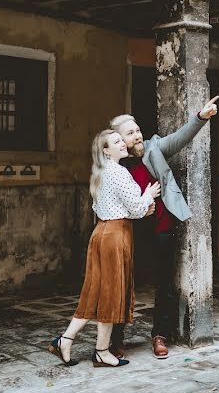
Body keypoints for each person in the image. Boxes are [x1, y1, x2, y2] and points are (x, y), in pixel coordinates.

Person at [109, 96, 218, 359]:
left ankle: (160, 335)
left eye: (137, 130)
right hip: (129, 230)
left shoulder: (153, 148)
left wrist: (200, 117)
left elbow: (179, 138)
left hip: (160, 227)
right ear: (118, 139)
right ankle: (116, 338)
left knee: (164, 284)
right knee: (123, 283)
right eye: (130, 133)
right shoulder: (114, 162)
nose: (137, 135)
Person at [48, 129, 160, 368]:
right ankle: (100, 351)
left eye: (122, 140)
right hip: (115, 235)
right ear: (106, 151)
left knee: (96, 291)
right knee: (109, 293)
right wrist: (148, 195)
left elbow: (121, 207)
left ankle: (66, 340)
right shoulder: (118, 172)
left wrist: (139, 206)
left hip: (101, 232)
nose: (123, 143)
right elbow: (137, 208)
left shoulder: (100, 172)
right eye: (117, 141)